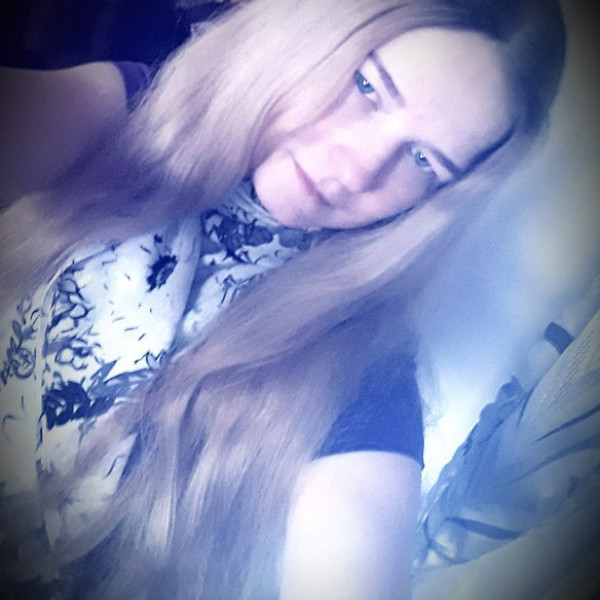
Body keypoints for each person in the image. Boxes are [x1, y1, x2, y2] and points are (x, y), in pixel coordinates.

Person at [0, 0, 565, 598]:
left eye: (423, 160)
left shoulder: (359, 365)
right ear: (310, 32)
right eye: (367, 87)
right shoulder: (123, 119)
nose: (358, 170)